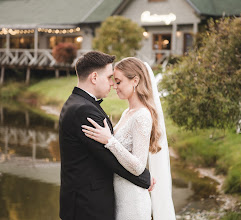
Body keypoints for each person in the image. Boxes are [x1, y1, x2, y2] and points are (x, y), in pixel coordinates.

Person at [58, 51, 154, 220]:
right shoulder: (84, 110)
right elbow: (108, 157)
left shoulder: (75, 102)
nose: (112, 84)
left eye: (116, 80)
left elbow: (111, 152)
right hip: (87, 206)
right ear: (94, 77)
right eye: (110, 78)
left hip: (95, 202)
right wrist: (145, 178)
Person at [82, 57, 176, 220]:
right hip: (120, 195)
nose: (114, 87)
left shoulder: (142, 116)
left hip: (132, 200)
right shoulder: (128, 113)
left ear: (135, 81)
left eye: (118, 82)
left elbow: (138, 166)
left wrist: (110, 141)